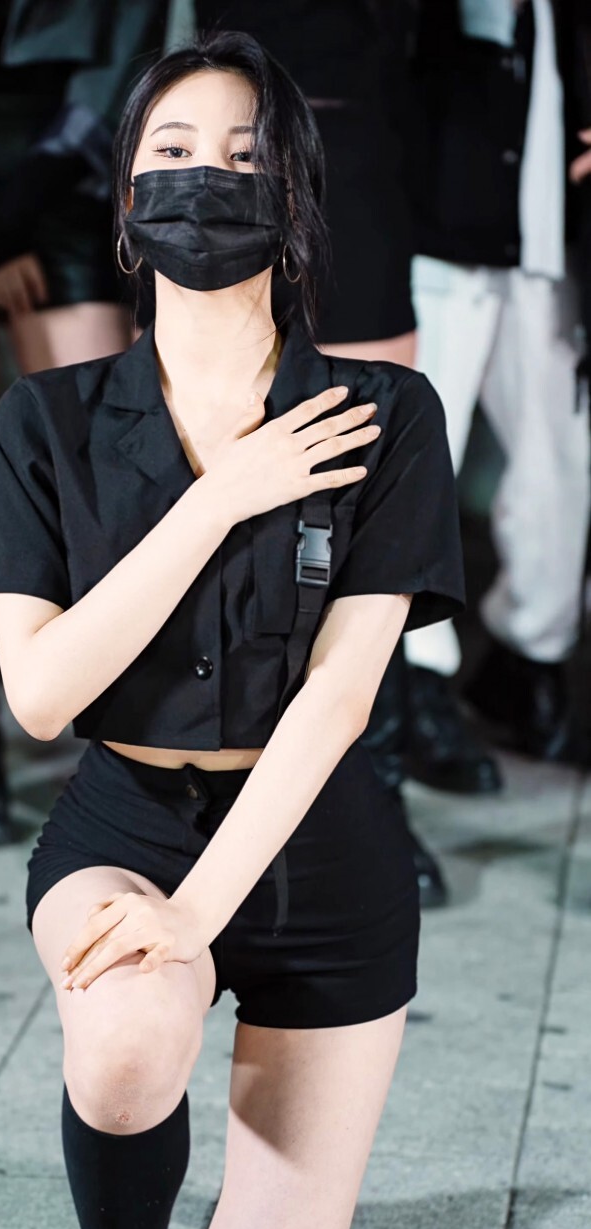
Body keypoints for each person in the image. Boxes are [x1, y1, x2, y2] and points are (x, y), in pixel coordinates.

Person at [0, 32, 466, 1229]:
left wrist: (201, 915)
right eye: (173, 152)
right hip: (125, 822)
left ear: (294, 198)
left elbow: (341, 698)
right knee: (129, 1031)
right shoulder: (45, 419)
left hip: (320, 849)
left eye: (246, 157)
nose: (207, 179)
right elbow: (41, 695)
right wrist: (220, 495)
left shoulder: (383, 414)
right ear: (128, 195)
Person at [195, 0, 501, 912]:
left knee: (368, 494)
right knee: (222, 478)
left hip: (363, 154)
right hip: (228, 155)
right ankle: (218, 773)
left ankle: (374, 789)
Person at [0, 0, 167, 846]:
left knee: (104, 481)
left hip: (65, 190)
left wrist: (8, 215)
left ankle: (120, 740)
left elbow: (124, 70)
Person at [407, 0, 591, 762]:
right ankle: (413, 673)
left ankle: (528, 655)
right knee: (420, 460)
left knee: (563, 459)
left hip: (545, 235)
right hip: (439, 229)